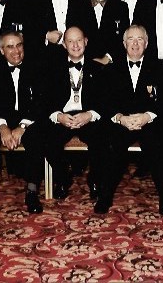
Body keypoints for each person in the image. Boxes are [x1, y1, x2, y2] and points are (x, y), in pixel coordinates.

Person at [94, 25, 163, 215]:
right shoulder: (111, 69)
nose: (135, 44)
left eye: (140, 39)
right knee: (112, 144)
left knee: (156, 143)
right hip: (123, 122)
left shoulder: (160, 68)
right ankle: (105, 196)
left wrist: (147, 116)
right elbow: (105, 102)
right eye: (131, 39)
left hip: (148, 121)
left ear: (146, 43)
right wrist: (121, 118)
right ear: (124, 43)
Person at [44, 26, 108, 201]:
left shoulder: (99, 68)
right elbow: (46, 100)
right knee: (48, 140)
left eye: (79, 40)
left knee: (101, 138)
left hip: (88, 116)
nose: (75, 45)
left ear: (86, 42)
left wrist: (89, 115)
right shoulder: (52, 68)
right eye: (70, 41)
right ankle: (62, 178)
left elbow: (105, 100)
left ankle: (95, 180)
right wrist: (59, 116)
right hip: (63, 116)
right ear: (64, 45)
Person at [0, 30, 48, 213]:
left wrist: (22, 126)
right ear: (1, 50)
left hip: (29, 118)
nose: (16, 51)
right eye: (10, 47)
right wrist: (3, 127)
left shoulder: (37, 67)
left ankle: (32, 191)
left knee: (37, 136)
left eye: (19, 45)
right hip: (2, 119)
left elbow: (41, 102)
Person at [79, 0, 129, 64]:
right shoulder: (78, 6)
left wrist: (108, 57)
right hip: (86, 62)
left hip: (112, 63)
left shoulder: (121, 7)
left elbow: (124, 36)